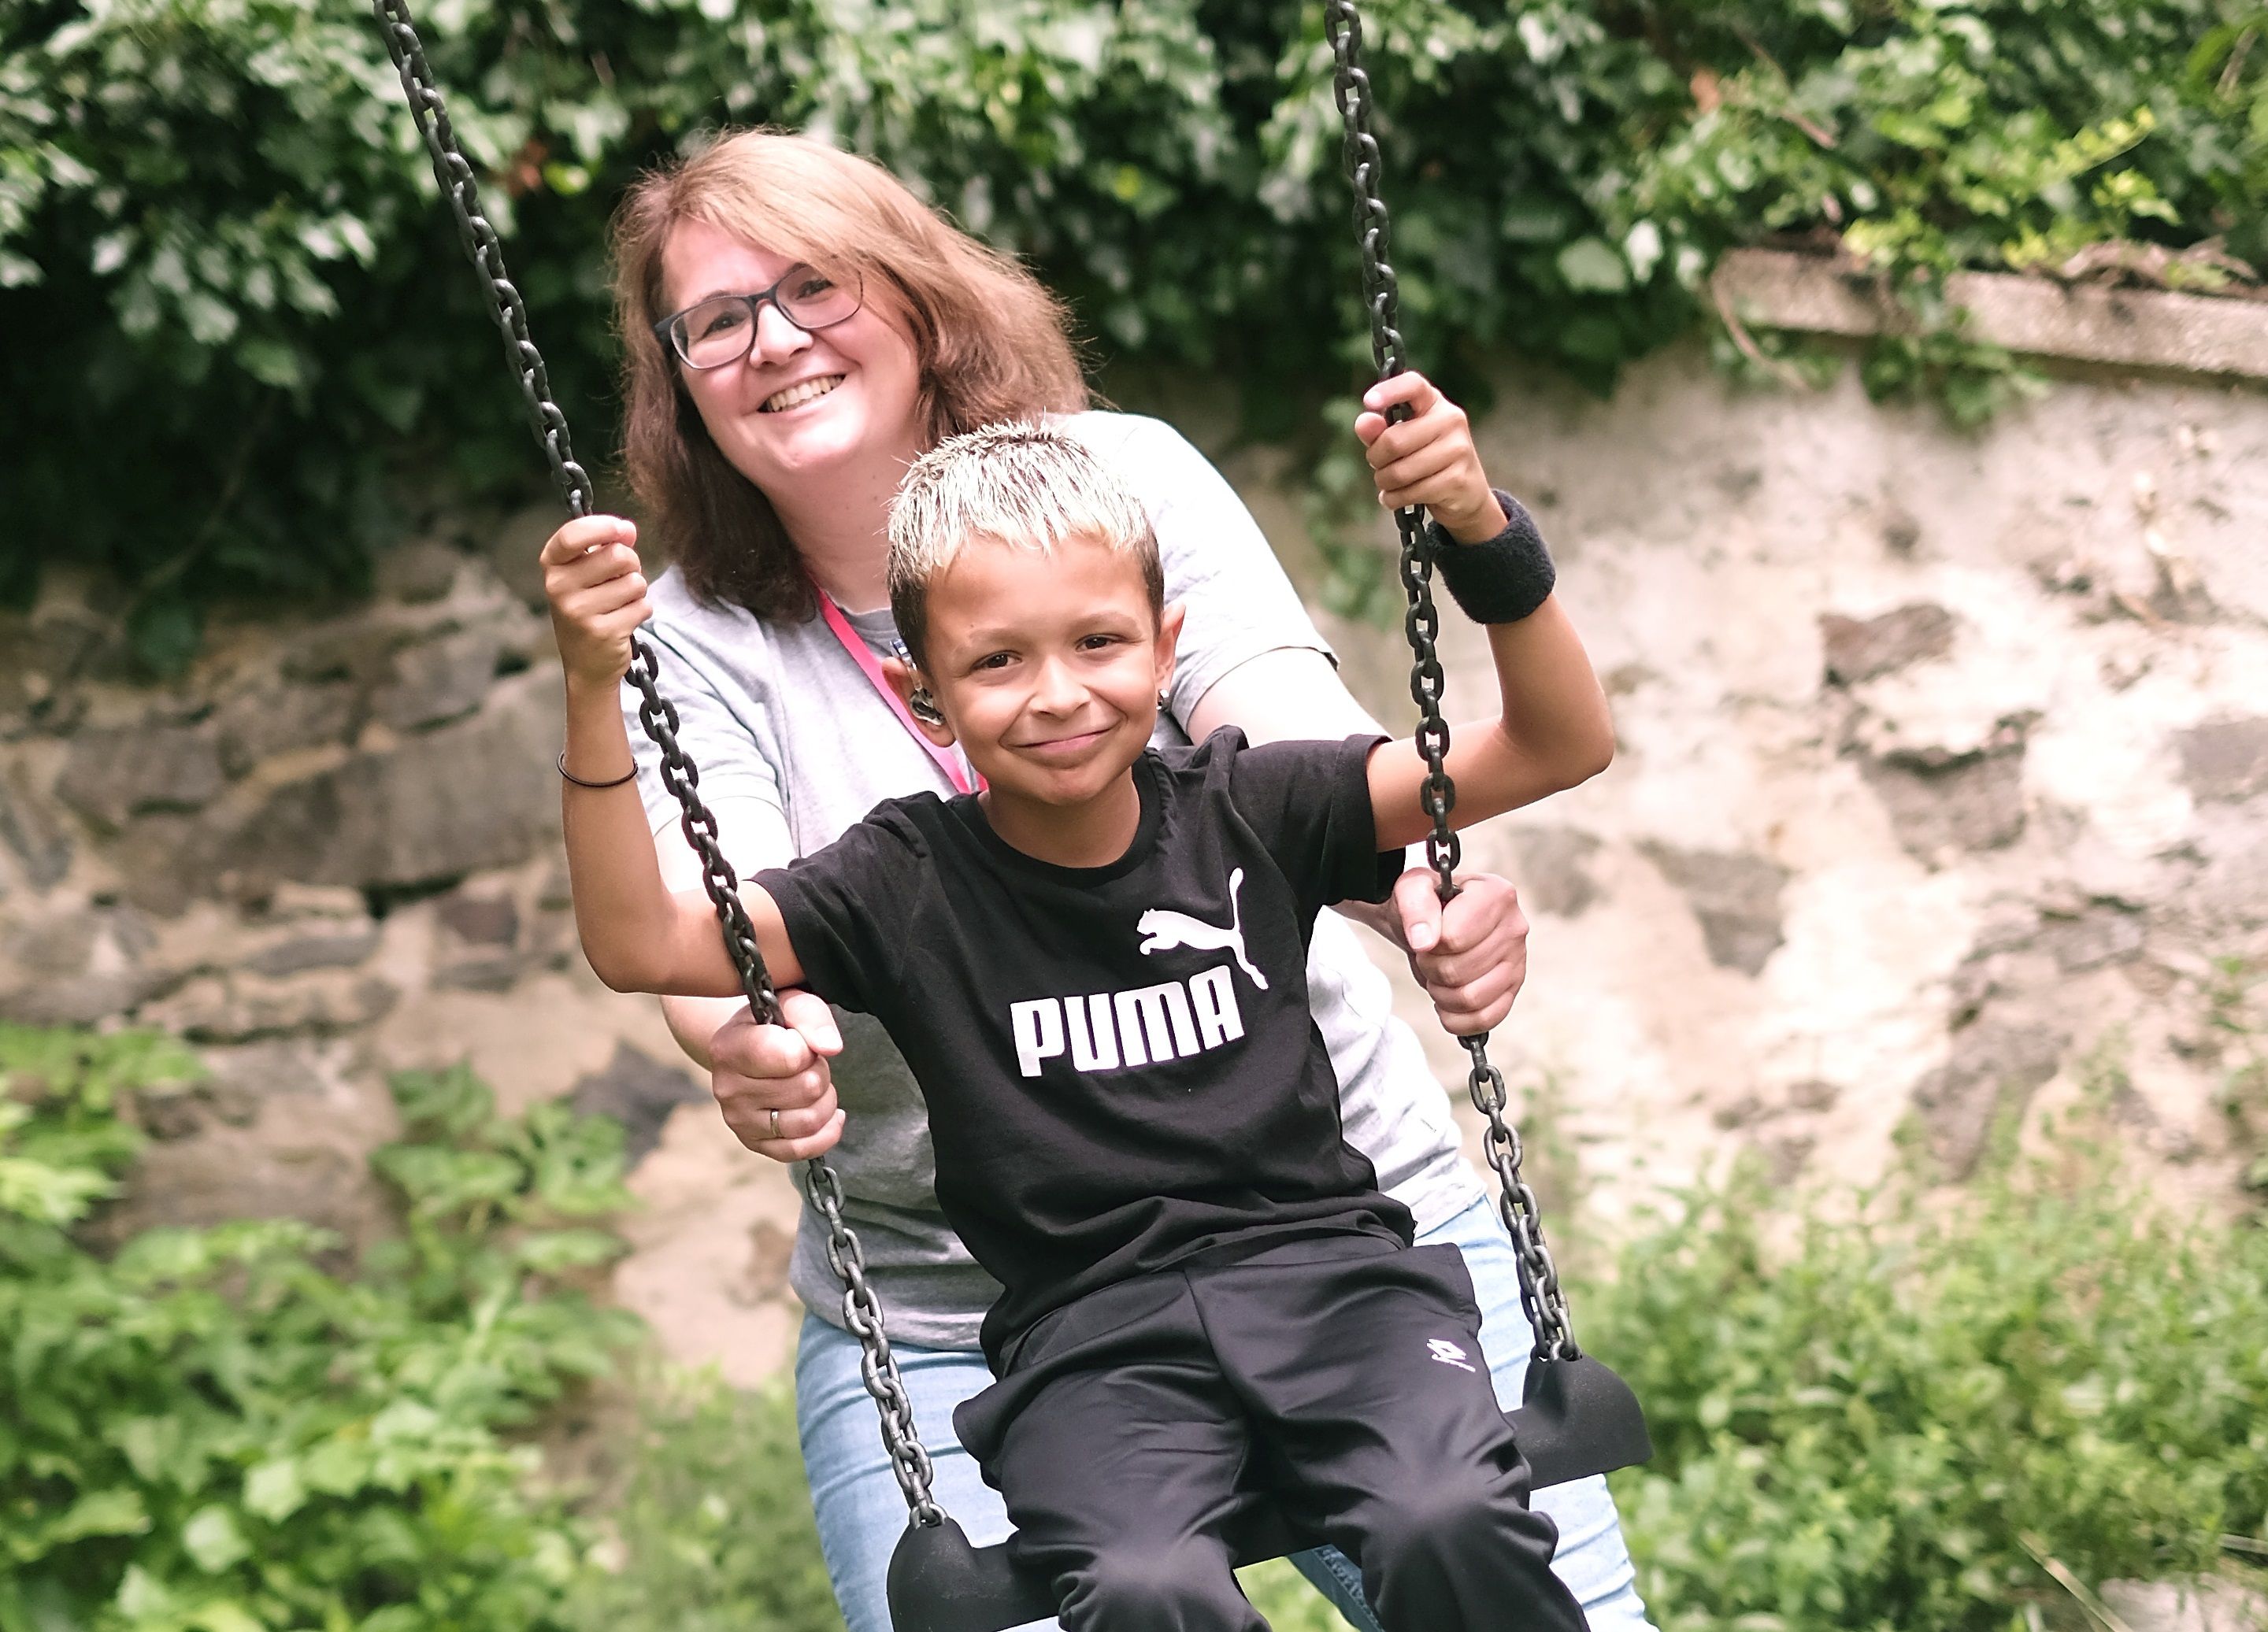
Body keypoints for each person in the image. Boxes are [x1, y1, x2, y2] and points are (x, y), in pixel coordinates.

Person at [547, 130, 1656, 1631]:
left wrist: (1414, 874)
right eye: (718, 320)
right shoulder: (703, 654)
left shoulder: (1122, 487)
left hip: (1333, 1240)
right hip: (985, 1316)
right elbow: (695, 935)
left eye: (816, 285)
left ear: (917, 296)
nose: (777, 339)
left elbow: (1304, 742)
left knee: (1470, 1543)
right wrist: (755, 1032)